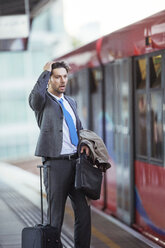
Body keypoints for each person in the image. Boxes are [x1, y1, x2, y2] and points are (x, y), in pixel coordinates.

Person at [29, 61, 91, 248]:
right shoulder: (43, 101)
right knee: (55, 217)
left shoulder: (71, 102)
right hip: (55, 165)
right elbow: (34, 99)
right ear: (49, 80)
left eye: (64, 76)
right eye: (57, 76)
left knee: (84, 213)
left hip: (76, 164)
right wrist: (45, 72)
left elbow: (79, 129)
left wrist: (85, 144)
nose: (62, 80)